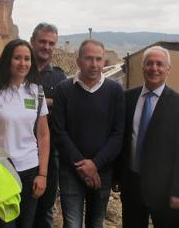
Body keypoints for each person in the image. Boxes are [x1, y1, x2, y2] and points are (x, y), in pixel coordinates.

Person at [116, 46, 179, 228]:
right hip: (132, 186)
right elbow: (123, 140)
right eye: (149, 63)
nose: (154, 68)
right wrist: (118, 177)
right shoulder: (127, 98)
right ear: (143, 68)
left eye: (160, 64)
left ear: (168, 69)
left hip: (165, 191)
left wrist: (178, 191)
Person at [0, 39, 50, 228]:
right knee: (4, 224)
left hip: (30, 169)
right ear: (8, 60)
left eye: (27, 59)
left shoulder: (37, 92)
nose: (22, 63)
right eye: (17, 58)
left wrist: (42, 174)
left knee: (26, 224)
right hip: (2, 169)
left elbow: (43, 135)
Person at [52, 39, 125, 228]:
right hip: (71, 171)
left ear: (104, 62)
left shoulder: (115, 90)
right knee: (72, 224)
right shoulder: (64, 90)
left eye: (98, 59)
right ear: (78, 61)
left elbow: (118, 134)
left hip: (103, 171)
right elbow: (59, 132)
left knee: (96, 222)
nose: (94, 64)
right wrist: (84, 167)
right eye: (88, 59)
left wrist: (95, 164)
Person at [30, 23, 67, 228]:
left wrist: (41, 101)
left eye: (51, 43)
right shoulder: (20, 68)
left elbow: (66, 110)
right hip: (17, 152)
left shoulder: (60, 78)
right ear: (32, 42)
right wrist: (50, 101)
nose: (46, 46)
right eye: (42, 41)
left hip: (49, 154)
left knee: (44, 209)